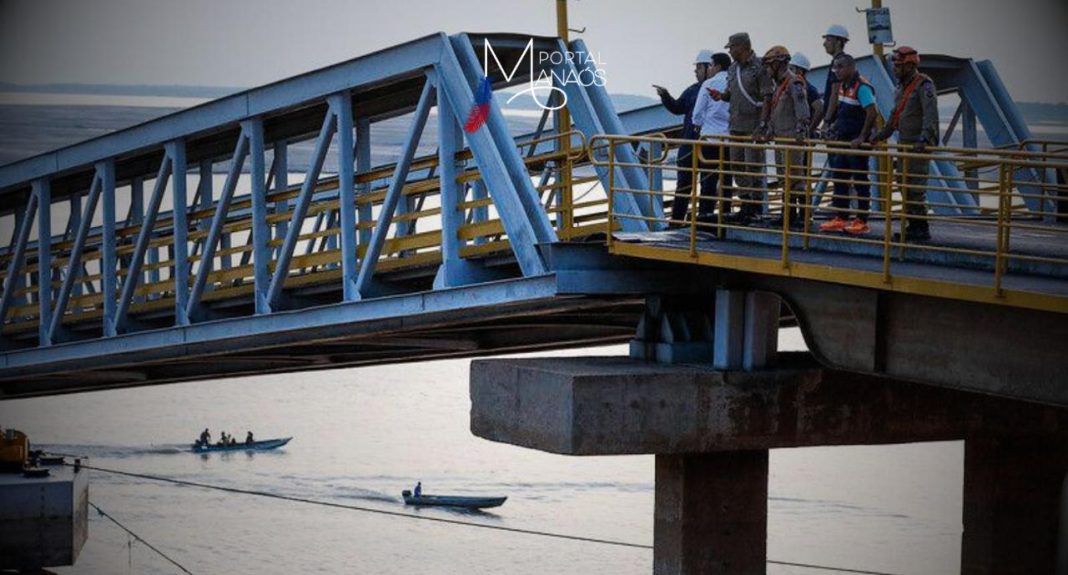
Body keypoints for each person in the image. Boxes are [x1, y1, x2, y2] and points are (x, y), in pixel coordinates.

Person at [869, 46, 938, 242]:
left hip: (918, 145)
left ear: (909, 66)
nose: (894, 69)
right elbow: (894, 115)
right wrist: (880, 135)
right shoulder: (901, 87)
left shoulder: (924, 85)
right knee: (903, 184)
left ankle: (920, 228)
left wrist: (924, 139)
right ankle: (912, 226)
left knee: (915, 187)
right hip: (904, 144)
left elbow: (930, 115)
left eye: (898, 66)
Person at [710, 32, 774, 225]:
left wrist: (762, 125)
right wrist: (721, 96)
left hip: (753, 126)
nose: (729, 51)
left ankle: (755, 206)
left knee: (752, 167)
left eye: (731, 47)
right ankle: (746, 203)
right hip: (736, 126)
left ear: (742, 47)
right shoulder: (732, 69)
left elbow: (767, 97)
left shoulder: (760, 67)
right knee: (737, 165)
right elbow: (732, 93)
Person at [654, 51, 717, 225]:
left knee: (707, 185)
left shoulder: (716, 89)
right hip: (693, 145)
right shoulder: (692, 91)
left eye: (698, 67)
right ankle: (678, 221)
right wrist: (665, 96)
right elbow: (677, 107)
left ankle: (704, 220)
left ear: (708, 67)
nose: (695, 71)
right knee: (686, 185)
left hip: (705, 145)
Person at [819, 54, 878, 235]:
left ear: (851, 67)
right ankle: (841, 217)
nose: (837, 70)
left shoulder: (861, 86)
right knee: (840, 178)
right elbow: (844, 112)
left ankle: (862, 221)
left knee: (860, 182)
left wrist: (862, 137)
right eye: (835, 67)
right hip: (844, 141)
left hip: (855, 143)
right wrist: (833, 128)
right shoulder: (845, 86)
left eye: (841, 67)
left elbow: (872, 112)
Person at [761, 46, 810, 229]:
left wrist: (800, 132)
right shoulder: (779, 85)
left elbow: (802, 110)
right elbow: (777, 112)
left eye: (769, 65)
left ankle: (804, 218)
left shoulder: (794, 83)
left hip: (792, 139)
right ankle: (788, 216)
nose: (767, 70)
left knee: (796, 179)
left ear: (778, 63)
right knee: (784, 179)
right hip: (781, 140)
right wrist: (769, 131)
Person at [689, 52, 733, 222]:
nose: (711, 69)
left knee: (708, 179)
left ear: (718, 66)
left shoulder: (709, 83)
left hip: (710, 139)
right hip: (730, 139)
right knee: (726, 179)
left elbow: (697, 114)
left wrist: (698, 125)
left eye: (712, 65)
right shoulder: (733, 83)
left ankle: (705, 214)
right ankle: (726, 213)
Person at [811, 24, 850, 133]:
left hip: (836, 121)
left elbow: (835, 93)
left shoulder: (838, 63)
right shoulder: (842, 61)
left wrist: (827, 121)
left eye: (828, 40)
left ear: (838, 42)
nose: (824, 44)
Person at [788, 52, 823, 136]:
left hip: (801, 136)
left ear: (800, 71)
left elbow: (820, 109)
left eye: (791, 69)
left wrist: (810, 130)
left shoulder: (809, 89)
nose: (788, 72)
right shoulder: (789, 87)